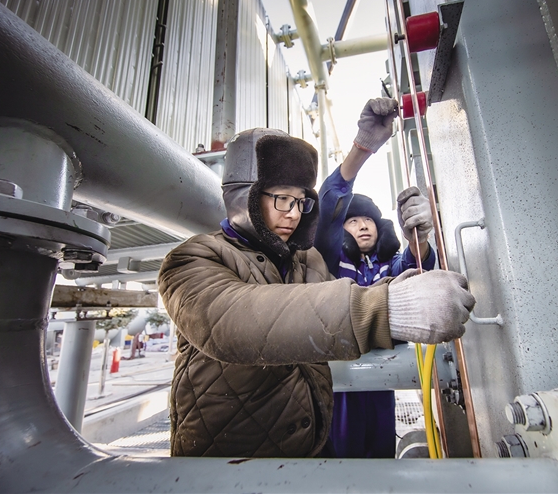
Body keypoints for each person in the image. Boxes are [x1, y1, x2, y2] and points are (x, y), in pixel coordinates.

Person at [157, 128, 475, 458]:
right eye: (281, 198)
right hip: (227, 464)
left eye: (299, 201)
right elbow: (230, 323)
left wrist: (415, 262)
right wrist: (389, 309)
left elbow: (343, 299)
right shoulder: (191, 259)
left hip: (312, 449)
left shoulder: (308, 262)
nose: (293, 213)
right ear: (244, 195)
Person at [314, 97, 437, 458]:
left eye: (367, 219)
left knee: (381, 449)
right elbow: (327, 206)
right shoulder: (332, 261)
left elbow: (413, 272)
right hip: (339, 373)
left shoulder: (387, 262)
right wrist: (362, 148)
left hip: (385, 371)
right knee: (343, 452)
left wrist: (421, 239)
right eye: (352, 220)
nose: (362, 224)